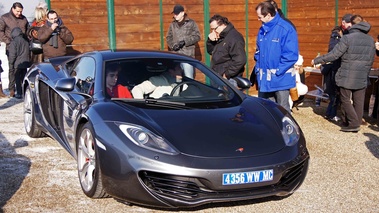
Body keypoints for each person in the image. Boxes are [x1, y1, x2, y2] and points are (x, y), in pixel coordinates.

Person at [312, 15, 375, 132]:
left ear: (352, 24)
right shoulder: (370, 39)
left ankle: (353, 123)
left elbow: (334, 54)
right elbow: (371, 59)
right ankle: (352, 121)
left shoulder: (347, 38)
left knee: (345, 99)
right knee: (359, 100)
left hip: (347, 74)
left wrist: (317, 60)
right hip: (362, 74)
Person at [254, 1, 299, 113]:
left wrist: (278, 71)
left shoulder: (286, 29)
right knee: (267, 110)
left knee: (282, 110)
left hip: (281, 79)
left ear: (268, 15)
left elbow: (291, 55)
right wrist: (258, 67)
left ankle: (286, 130)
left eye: (260, 17)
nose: (258, 19)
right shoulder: (262, 30)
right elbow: (259, 51)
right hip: (264, 80)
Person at [206, 14, 246, 88]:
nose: (213, 31)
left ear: (223, 25)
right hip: (217, 77)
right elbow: (211, 51)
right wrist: (210, 41)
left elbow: (240, 60)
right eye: (212, 29)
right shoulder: (220, 36)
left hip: (228, 79)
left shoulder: (234, 37)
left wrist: (227, 74)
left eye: (215, 29)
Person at [0, 2, 29, 97]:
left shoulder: (24, 19)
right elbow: (0, 31)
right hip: (11, 47)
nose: (19, 13)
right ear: (13, 9)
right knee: (12, 68)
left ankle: (23, 88)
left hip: (23, 47)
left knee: (23, 68)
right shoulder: (5, 18)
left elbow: (28, 30)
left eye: (21, 11)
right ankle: (12, 89)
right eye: (17, 11)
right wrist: (8, 41)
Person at [166, 4, 200, 79]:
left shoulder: (191, 23)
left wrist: (185, 42)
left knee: (189, 78)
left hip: (187, 56)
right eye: (174, 14)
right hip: (176, 55)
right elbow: (168, 37)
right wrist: (172, 46)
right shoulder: (173, 24)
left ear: (182, 13)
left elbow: (197, 36)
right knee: (177, 78)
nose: (175, 15)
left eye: (177, 13)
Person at [321, 26, 343, 122]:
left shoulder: (333, 40)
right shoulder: (337, 39)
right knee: (334, 96)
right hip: (334, 71)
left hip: (330, 72)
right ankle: (331, 114)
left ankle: (329, 113)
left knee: (332, 96)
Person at [8, 27, 30, 99]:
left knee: (17, 79)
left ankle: (19, 93)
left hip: (17, 64)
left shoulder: (14, 42)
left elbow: (12, 54)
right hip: (25, 63)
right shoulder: (25, 41)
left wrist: (11, 63)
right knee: (24, 78)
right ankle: (25, 92)